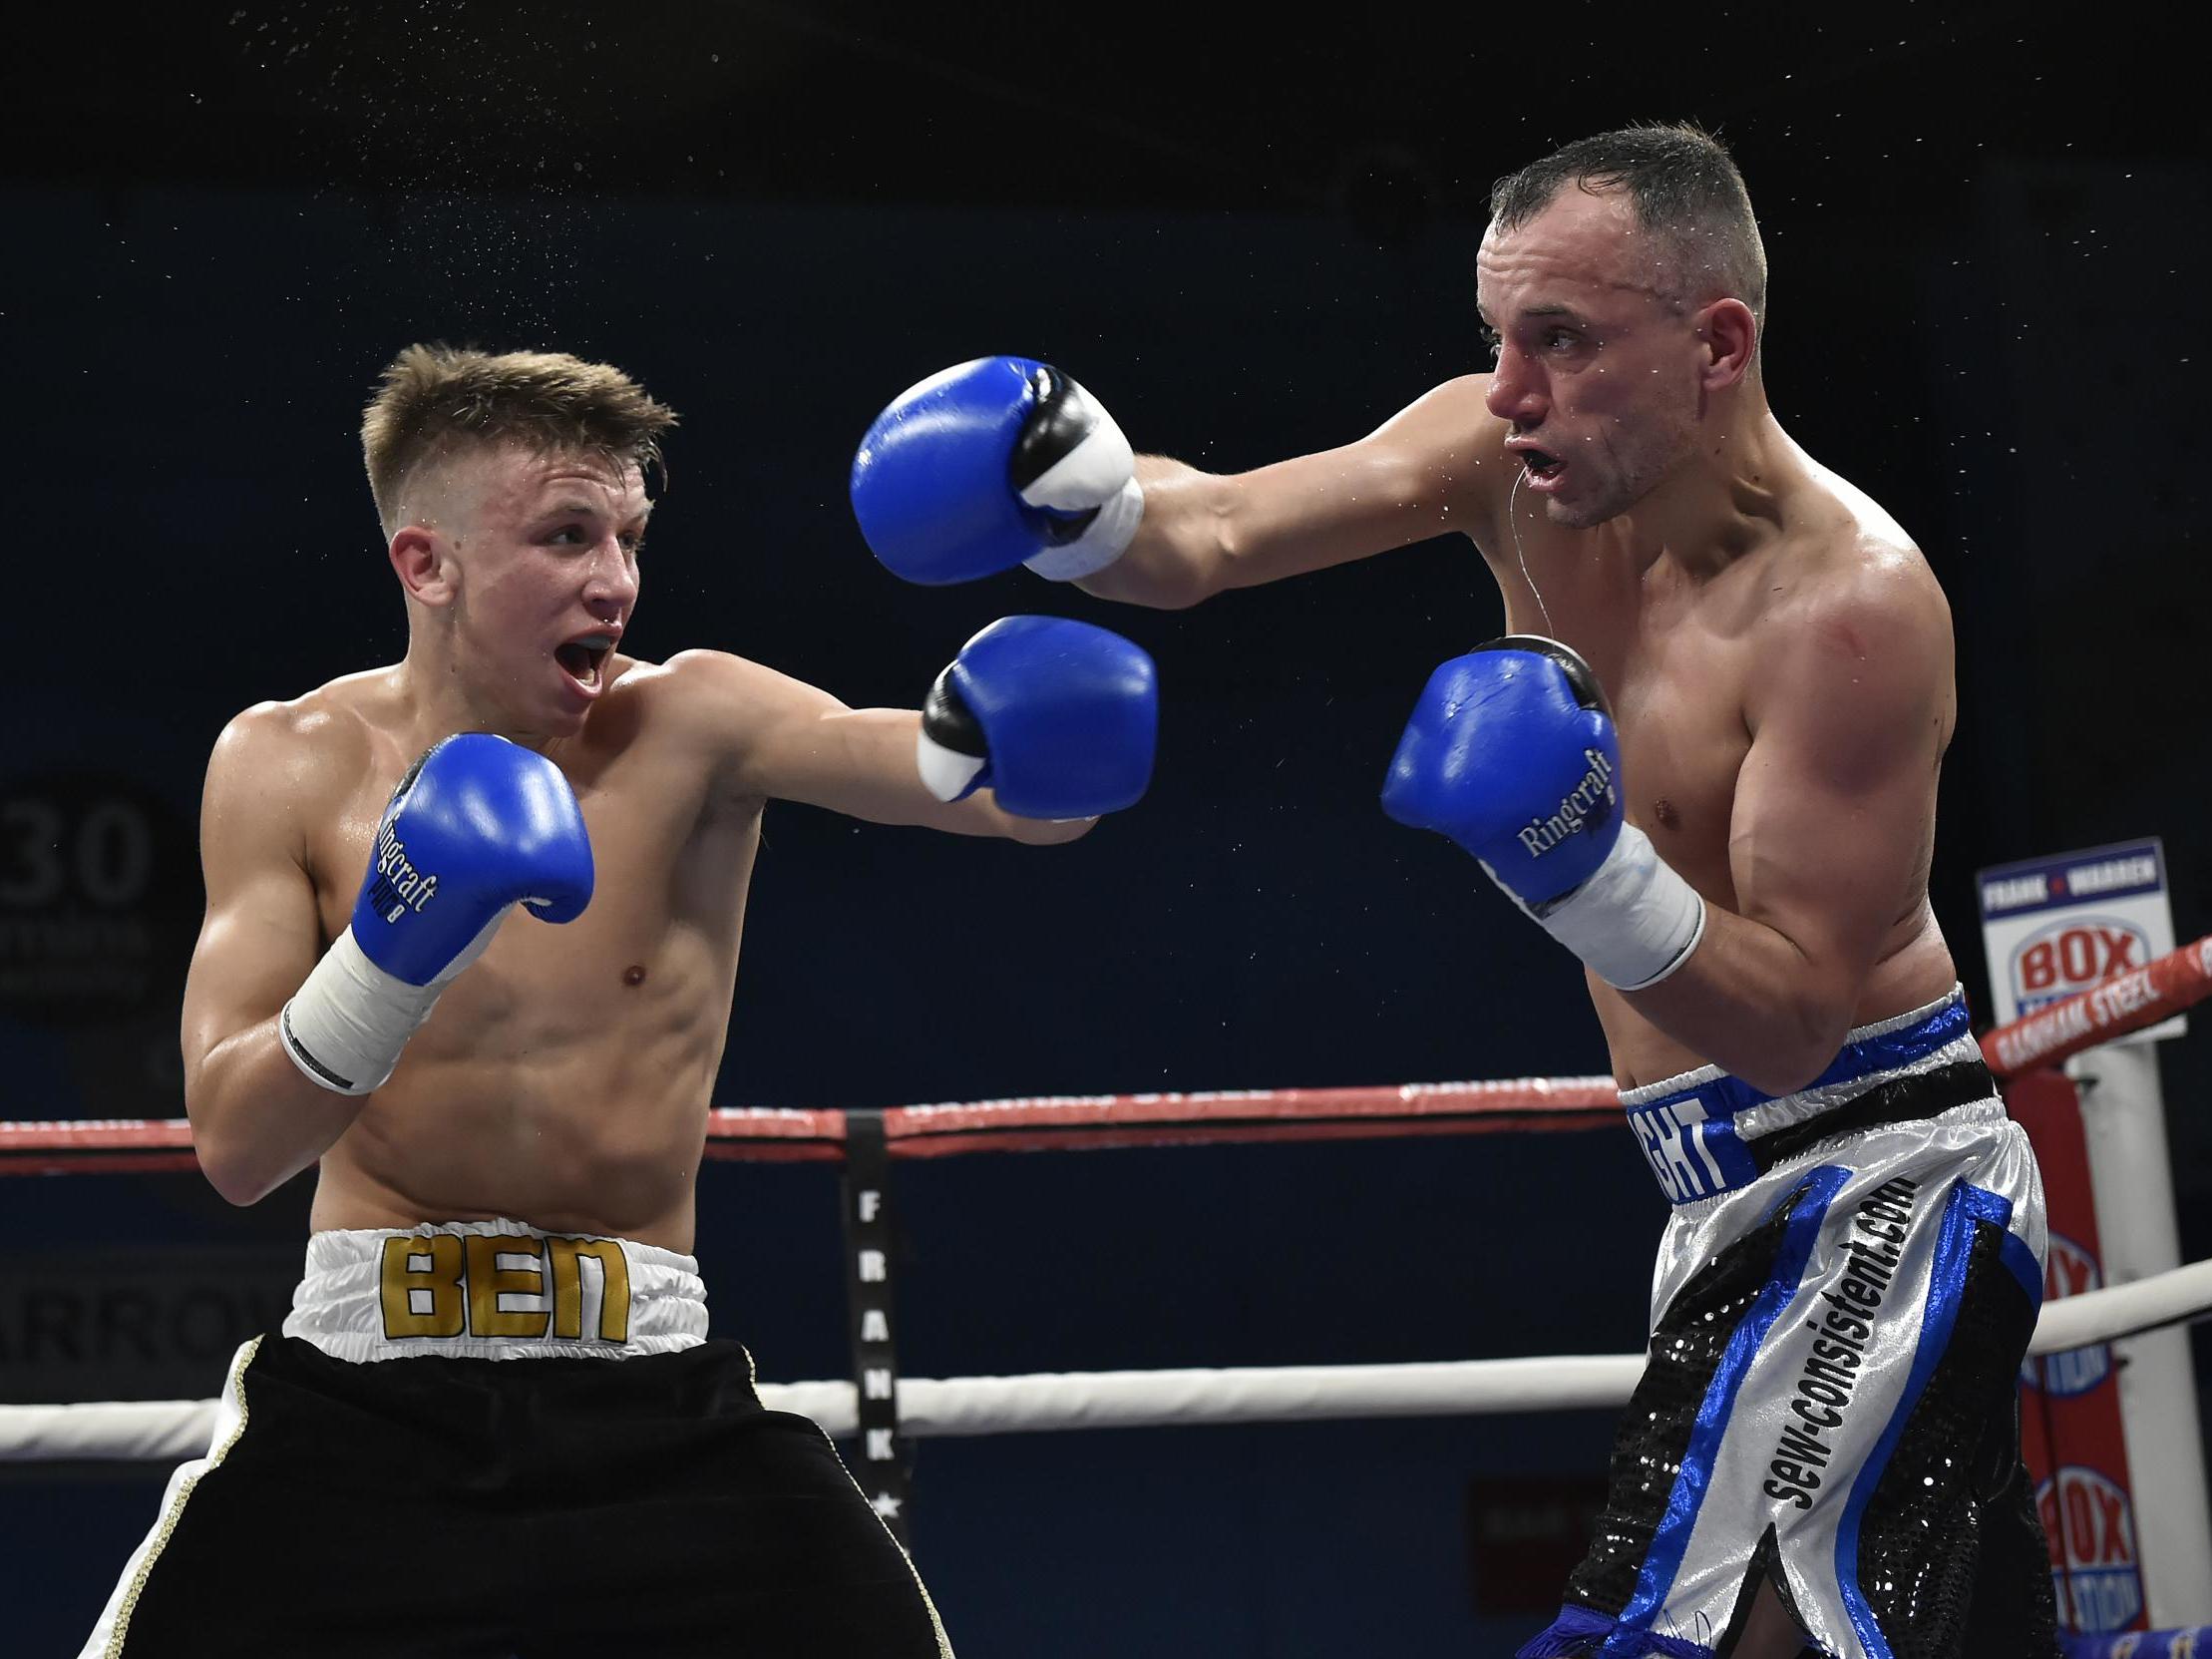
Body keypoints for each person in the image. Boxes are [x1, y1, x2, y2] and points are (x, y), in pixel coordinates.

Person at [849, 125, 2056, 1659]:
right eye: (1496, 338)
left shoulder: (1850, 612)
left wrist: (1579, 861)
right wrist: (1073, 498)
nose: (1508, 392)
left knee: (1675, 1635)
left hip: (1874, 1182)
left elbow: (1801, 1028)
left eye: (1561, 340)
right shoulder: (1506, 465)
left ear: (1717, 344)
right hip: (1708, 1189)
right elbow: (1209, 537)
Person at [81, 344, 1157, 1659]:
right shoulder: (286, 763)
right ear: (428, 565)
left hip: (653, 1394)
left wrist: (1043, 739)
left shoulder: (695, 723)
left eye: (630, 536)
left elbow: (988, 795)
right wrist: (392, 951)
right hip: (364, 1395)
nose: (616, 581)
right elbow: (237, 1149)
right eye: (568, 534)